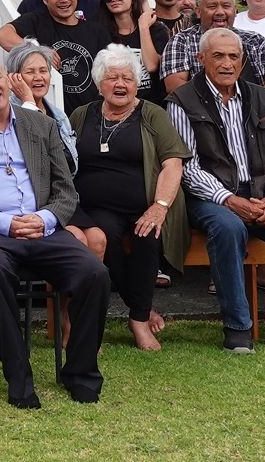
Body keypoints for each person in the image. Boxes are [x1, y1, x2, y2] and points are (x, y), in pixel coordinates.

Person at [0, 54, 108, 408]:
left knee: (94, 272)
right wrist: (3, 221)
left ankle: (80, 371)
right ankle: (19, 376)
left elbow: (66, 190)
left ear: (8, 80)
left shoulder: (40, 125)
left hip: (40, 226)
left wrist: (44, 219)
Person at [169, 28, 265, 353]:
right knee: (228, 228)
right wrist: (228, 199)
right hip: (210, 197)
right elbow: (188, 167)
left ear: (242, 62)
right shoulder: (182, 100)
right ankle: (238, 326)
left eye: (233, 56)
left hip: (261, 194)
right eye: (218, 56)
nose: (227, 63)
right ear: (201, 60)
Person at [66, 46, 187, 351]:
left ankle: (138, 319)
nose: (120, 84)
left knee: (146, 236)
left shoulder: (151, 114)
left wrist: (159, 208)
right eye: (112, 78)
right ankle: (141, 311)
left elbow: (173, 163)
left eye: (128, 78)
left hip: (144, 204)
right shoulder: (82, 115)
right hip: (96, 208)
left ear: (136, 84)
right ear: (98, 84)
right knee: (105, 237)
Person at [0, 0, 110, 110]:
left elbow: (108, 71)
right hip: (54, 113)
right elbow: (1, 35)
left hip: (91, 114)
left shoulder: (96, 30)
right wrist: (39, 52)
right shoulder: (36, 21)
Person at [158, 0, 265, 95]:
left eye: (226, 6)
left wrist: (259, 107)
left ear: (235, 11)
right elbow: (173, 84)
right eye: (212, 6)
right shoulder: (181, 41)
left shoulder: (256, 41)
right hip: (199, 115)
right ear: (198, 11)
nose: (220, 12)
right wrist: (213, 106)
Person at [3, 42, 77, 165]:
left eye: (43, 71)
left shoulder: (59, 115)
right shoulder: (6, 113)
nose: (38, 77)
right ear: (13, 77)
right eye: (30, 72)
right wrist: (28, 101)